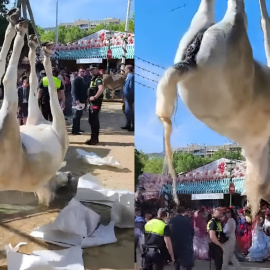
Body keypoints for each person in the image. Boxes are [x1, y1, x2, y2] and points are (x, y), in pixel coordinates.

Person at [169, 206, 194, 270]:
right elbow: (192, 232)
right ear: (185, 211)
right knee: (187, 265)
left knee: (176, 264)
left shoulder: (171, 221)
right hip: (186, 245)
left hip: (175, 244)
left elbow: (169, 233)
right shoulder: (188, 220)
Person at [85, 64, 104, 145]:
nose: (91, 71)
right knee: (92, 120)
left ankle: (94, 140)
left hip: (95, 103)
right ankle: (94, 138)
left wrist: (95, 97)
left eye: (93, 69)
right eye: (90, 70)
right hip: (92, 103)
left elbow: (101, 89)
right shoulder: (93, 79)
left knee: (94, 121)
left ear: (97, 70)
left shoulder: (98, 79)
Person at [71, 68, 87, 134]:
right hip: (77, 101)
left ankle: (78, 129)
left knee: (79, 115)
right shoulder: (76, 80)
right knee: (76, 116)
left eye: (83, 71)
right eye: (81, 71)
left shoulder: (83, 79)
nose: (82, 72)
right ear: (78, 72)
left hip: (82, 100)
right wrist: (76, 99)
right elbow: (74, 91)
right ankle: (75, 130)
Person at [121, 65, 134, 131]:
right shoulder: (127, 76)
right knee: (127, 111)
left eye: (125, 69)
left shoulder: (132, 76)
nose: (124, 70)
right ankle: (128, 124)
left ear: (128, 70)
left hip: (129, 98)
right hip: (126, 97)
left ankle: (133, 126)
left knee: (130, 112)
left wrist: (129, 97)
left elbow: (131, 88)